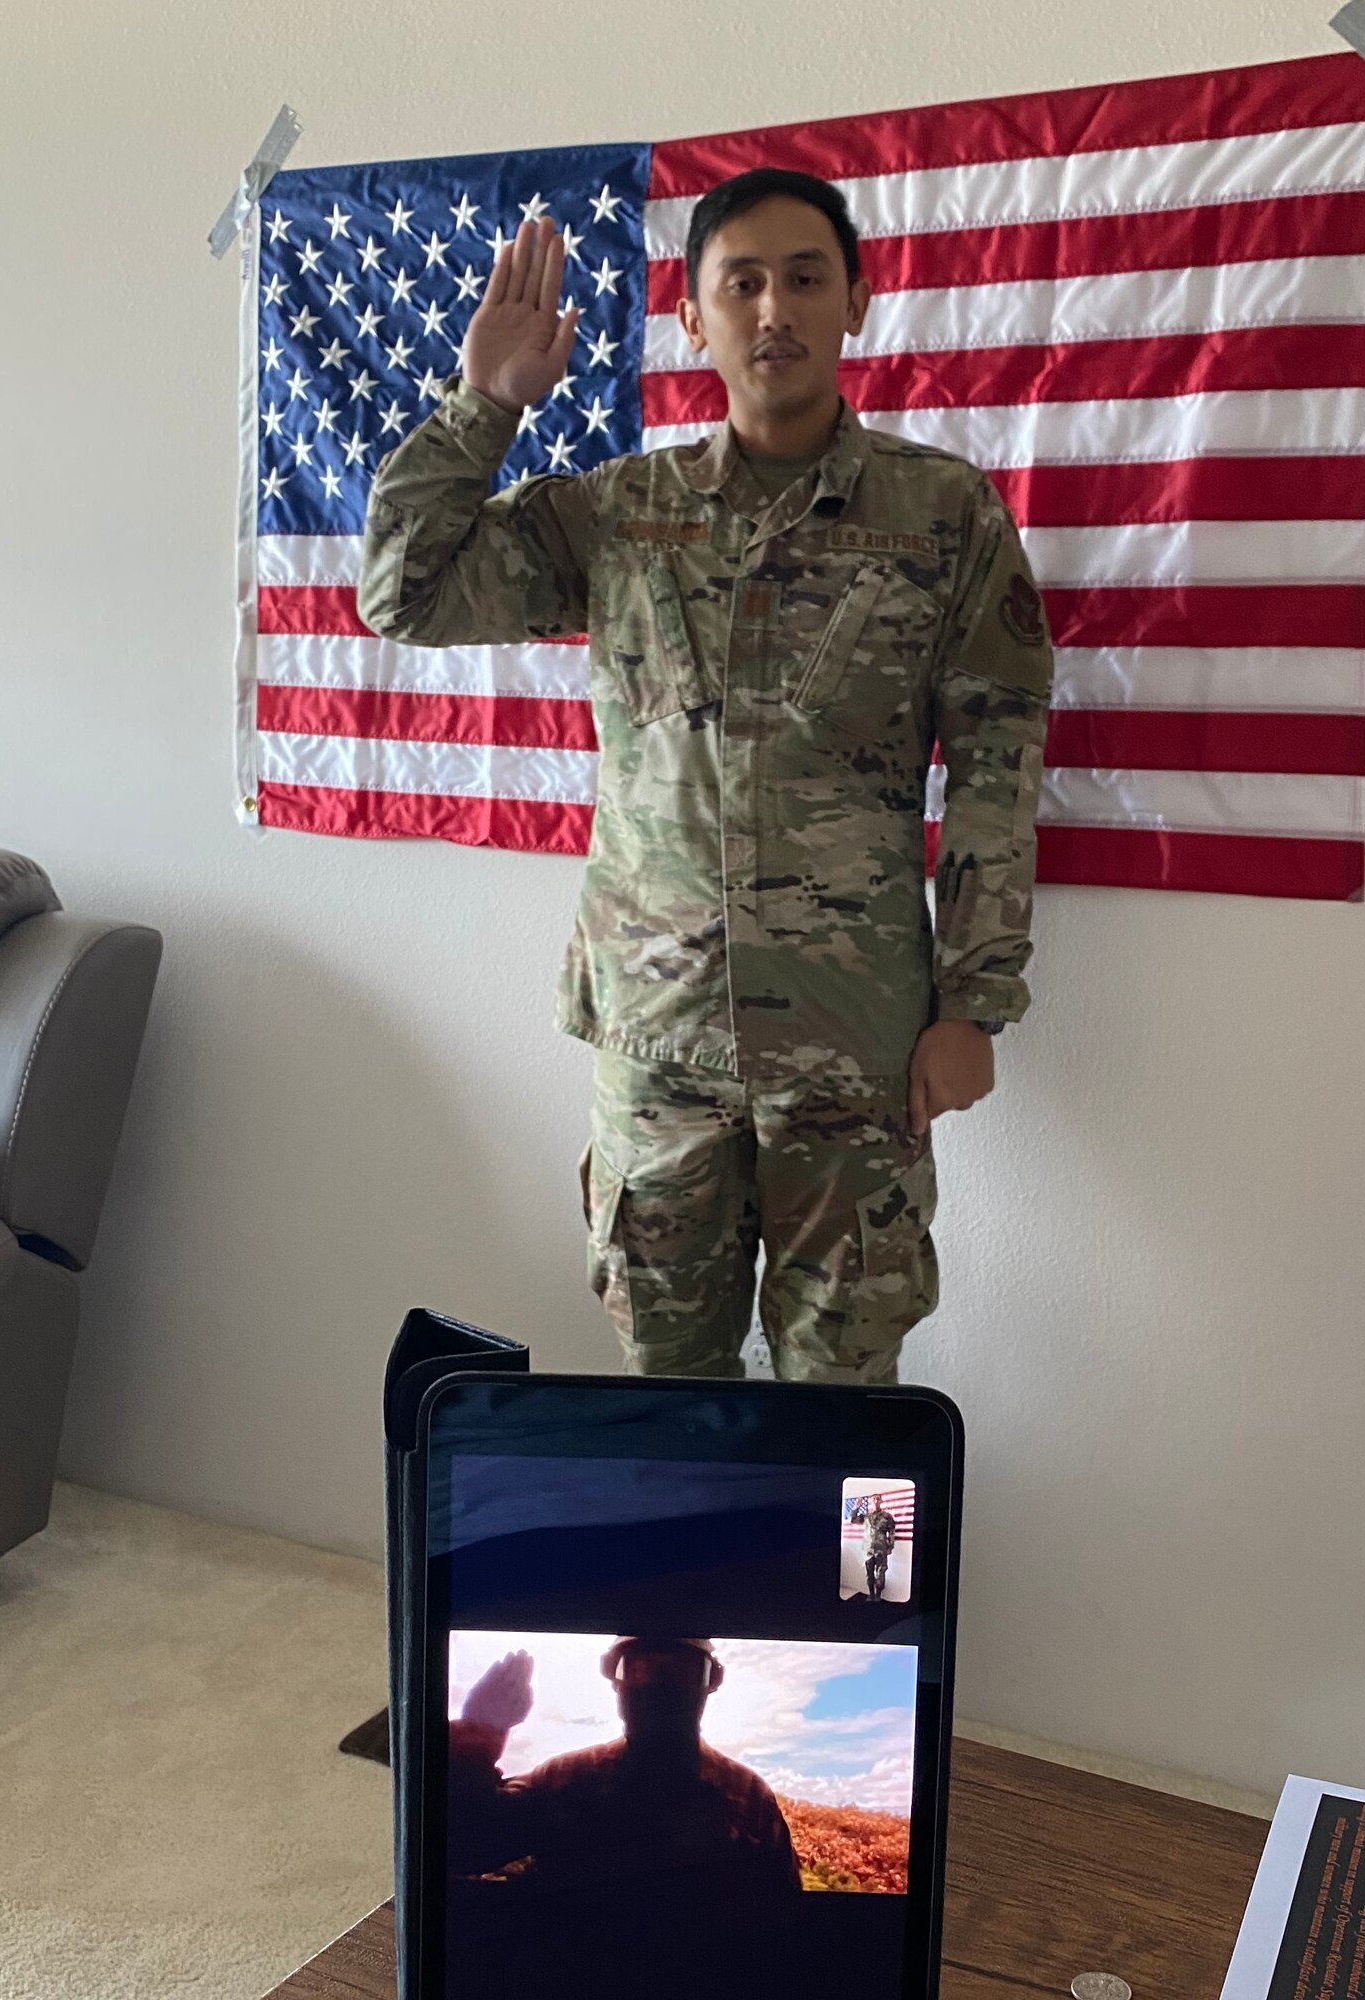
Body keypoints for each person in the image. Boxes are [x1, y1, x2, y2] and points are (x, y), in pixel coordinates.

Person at [358, 168, 1054, 1385]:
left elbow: (998, 757)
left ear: (856, 302)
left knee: (846, 1395)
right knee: (672, 1382)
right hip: (657, 1040)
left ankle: (850, 1585)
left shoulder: (942, 515)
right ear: (694, 317)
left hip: (856, 1047)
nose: (772, 308)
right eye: (741, 282)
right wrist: (484, 405)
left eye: (804, 277)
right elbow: (402, 592)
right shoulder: (624, 513)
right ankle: (696, 1581)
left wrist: (973, 1000)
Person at [446, 1637, 801, 1898]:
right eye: (641, 1668)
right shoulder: (566, 1778)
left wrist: (482, 1732)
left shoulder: (748, 1796)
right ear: (616, 1681)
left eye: (682, 1671)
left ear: (710, 1683)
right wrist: (482, 1732)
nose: (661, 1686)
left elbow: (783, 1909)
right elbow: (464, 1845)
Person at [862, 1494, 896, 1601]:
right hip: (868, 1549)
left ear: (881, 1501)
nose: (876, 1501)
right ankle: (871, 1594)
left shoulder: (887, 1516)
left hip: (881, 1549)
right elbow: (853, 1520)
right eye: (874, 1499)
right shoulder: (866, 1516)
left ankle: (878, 1596)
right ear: (871, 1501)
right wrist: (856, 1507)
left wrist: (891, 1546)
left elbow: (891, 1532)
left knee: (880, 1573)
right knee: (869, 1572)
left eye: (878, 1499)